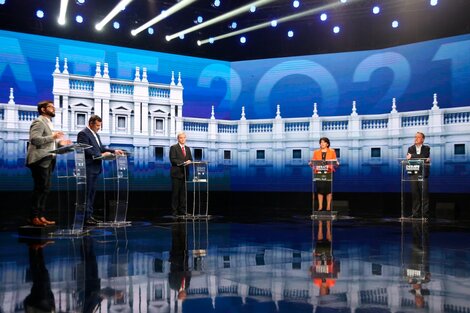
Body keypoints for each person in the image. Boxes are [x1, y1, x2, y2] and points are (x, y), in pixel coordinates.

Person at [26, 100, 71, 227]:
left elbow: (50, 143)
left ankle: (40, 216)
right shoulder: (39, 122)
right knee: (40, 188)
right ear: (43, 109)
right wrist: (53, 137)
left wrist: (62, 145)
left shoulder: (49, 123)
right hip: (39, 159)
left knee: (45, 189)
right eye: (50, 107)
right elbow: (35, 140)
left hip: (49, 159)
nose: (54, 109)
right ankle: (33, 217)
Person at [77, 115, 124, 226]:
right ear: (91, 123)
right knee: (87, 194)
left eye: (100, 125)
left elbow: (101, 149)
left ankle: (89, 216)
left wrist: (114, 151)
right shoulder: (83, 133)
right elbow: (85, 150)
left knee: (92, 193)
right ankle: (85, 217)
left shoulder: (95, 134)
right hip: (88, 168)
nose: (99, 128)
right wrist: (101, 154)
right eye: (97, 125)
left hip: (95, 168)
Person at [23, 239, 55, 313]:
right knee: (43, 271)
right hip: (44, 298)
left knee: (38, 273)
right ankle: (38, 247)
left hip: (40, 298)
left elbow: (27, 303)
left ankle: (33, 249)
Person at [406, 132, 431, 219]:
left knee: (424, 195)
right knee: (415, 194)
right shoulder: (410, 148)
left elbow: (424, 156)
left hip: (423, 173)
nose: (416, 138)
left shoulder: (426, 148)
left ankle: (425, 215)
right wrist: (421, 158)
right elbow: (411, 159)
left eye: (418, 137)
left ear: (423, 139)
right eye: (415, 137)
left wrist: (412, 156)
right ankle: (415, 214)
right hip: (413, 173)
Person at [310, 137, 338, 211]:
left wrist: (336, 163)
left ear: (327, 144)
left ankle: (328, 206)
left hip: (328, 172)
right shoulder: (316, 152)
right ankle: (320, 207)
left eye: (324, 142)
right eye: (321, 142)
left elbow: (335, 161)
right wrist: (311, 163)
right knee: (320, 190)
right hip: (318, 172)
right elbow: (313, 161)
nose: (322, 143)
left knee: (328, 190)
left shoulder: (332, 151)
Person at [169, 132, 193, 216]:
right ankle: (174, 212)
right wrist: (183, 162)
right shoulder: (173, 148)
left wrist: (189, 161)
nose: (183, 139)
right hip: (176, 174)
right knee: (175, 194)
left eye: (184, 137)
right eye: (181, 138)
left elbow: (190, 159)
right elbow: (173, 160)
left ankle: (183, 211)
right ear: (178, 139)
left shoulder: (187, 148)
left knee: (183, 194)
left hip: (185, 174)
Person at [169, 221, 191, 306]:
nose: (185, 295)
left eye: (183, 296)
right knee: (184, 240)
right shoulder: (187, 286)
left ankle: (175, 224)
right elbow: (188, 276)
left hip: (176, 260)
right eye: (185, 296)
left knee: (176, 241)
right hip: (185, 260)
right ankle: (182, 225)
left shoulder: (173, 286)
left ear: (179, 295)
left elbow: (171, 274)